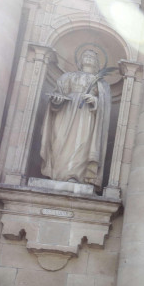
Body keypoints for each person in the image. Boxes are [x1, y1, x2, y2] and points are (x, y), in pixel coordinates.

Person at [40, 47, 111, 188]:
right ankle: (56, 174)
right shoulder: (67, 77)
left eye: (92, 56)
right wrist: (57, 101)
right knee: (59, 141)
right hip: (65, 114)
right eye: (86, 55)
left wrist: (94, 101)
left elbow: (105, 105)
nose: (88, 57)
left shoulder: (101, 83)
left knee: (81, 143)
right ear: (80, 60)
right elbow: (58, 94)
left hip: (86, 117)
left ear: (97, 63)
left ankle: (74, 176)